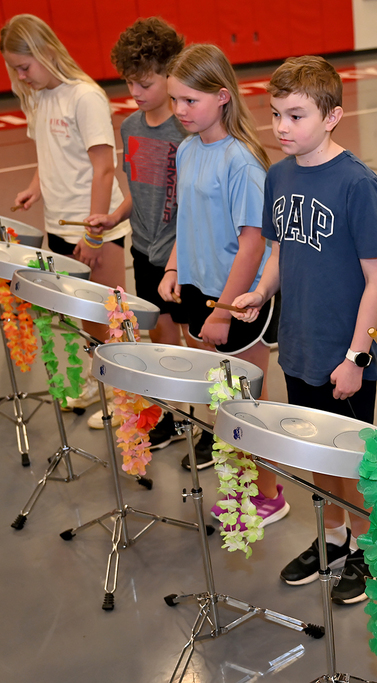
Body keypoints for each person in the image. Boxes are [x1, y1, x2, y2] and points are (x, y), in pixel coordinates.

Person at [231, 55, 377, 605]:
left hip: (342, 356)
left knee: (353, 458)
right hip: (297, 346)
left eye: (295, 115)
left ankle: (369, 550)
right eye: (276, 115)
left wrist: (355, 357)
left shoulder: (358, 185)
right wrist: (261, 290)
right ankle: (333, 537)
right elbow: (279, 248)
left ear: (332, 117)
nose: (281, 127)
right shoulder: (279, 175)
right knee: (311, 456)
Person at [154, 43, 287, 528]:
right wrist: (172, 268)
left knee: (247, 399)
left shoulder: (242, 161)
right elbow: (186, 224)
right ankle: (245, 486)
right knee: (224, 398)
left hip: (236, 299)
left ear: (223, 97)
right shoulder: (188, 150)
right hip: (196, 289)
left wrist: (224, 310)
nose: (180, 111)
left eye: (191, 100)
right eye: (175, 100)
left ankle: (270, 494)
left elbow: (253, 244)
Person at [0, 14, 131, 411]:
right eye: (14, 69)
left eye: (24, 66)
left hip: (95, 229)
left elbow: (104, 167)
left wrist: (92, 234)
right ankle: (99, 378)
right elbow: (48, 155)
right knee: (81, 313)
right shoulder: (40, 97)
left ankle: (125, 398)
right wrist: (34, 189)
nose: (21, 76)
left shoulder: (85, 96)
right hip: (58, 225)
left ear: (46, 51)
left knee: (109, 314)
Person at [82, 18, 188, 444]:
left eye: (145, 83)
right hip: (144, 249)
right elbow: (139, 192)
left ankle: (201, 422)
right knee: (161, 337)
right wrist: (113, 217)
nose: (136, 93)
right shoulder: (129, 128)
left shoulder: (186, 130)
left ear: (170, 74)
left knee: (195, 345)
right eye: (129, 83)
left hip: (183, 257)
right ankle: (173, 416)